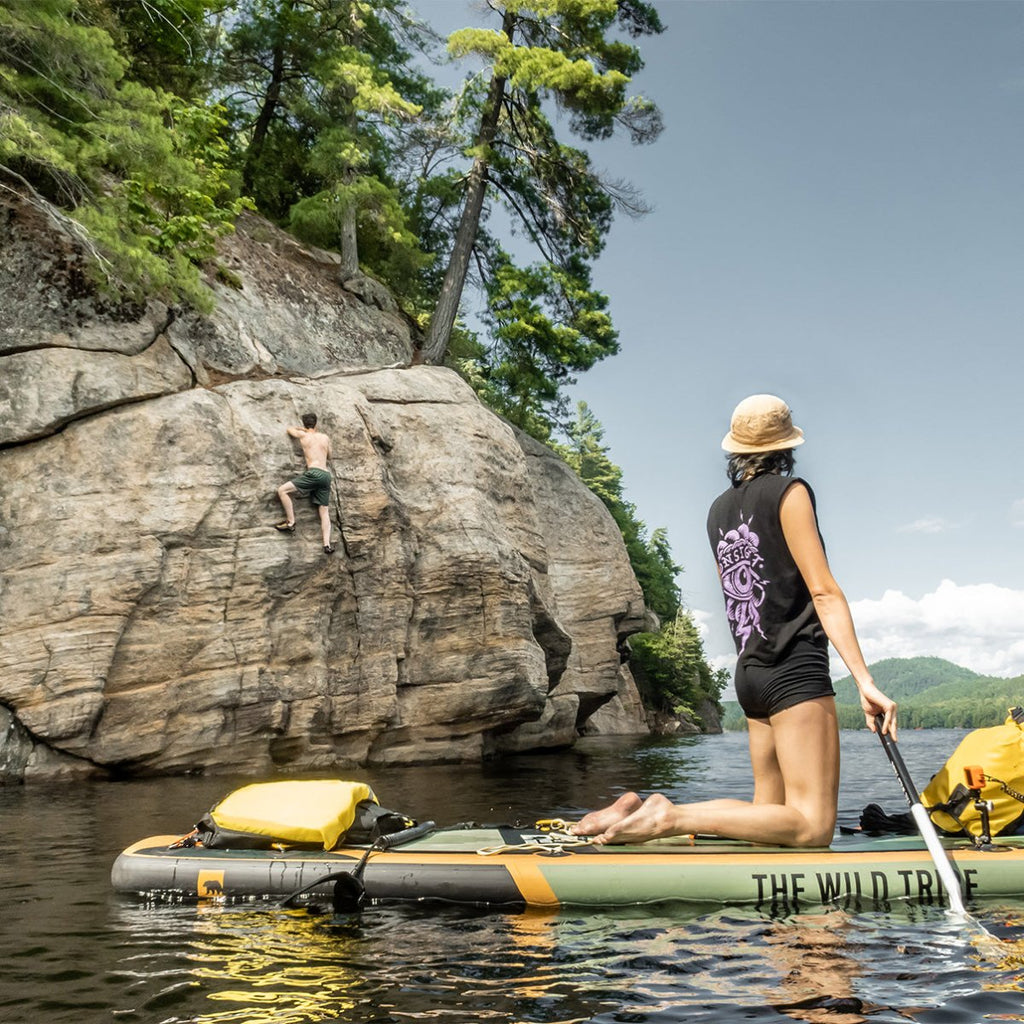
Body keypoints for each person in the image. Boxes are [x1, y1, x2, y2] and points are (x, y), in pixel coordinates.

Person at [572, 394, 897, 848]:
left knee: (770, 817)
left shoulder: (717, 511)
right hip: (794, 668)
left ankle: (637, 817)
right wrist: (865, 681)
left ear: (737, 449)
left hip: (751, 674)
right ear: (786, 447)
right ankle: (669, 815)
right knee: (812, 827)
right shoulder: (791, 492)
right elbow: (823, 591)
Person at [274, 413, 335, 554]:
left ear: (304, 423)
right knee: (324, 511)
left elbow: (289, 430)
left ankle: (290, 522)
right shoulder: (325, 437)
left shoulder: (303, 436)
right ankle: (327, 545)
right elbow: (330, 456)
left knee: (282, 491)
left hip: (313, 473)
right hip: (325, 475)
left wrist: (302, 429)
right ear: (316, 424)